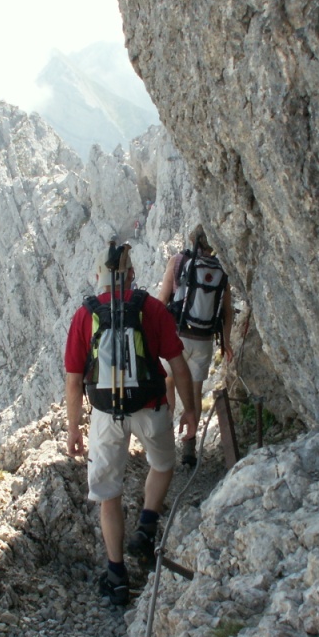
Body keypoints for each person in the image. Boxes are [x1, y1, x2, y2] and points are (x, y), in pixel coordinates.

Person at [65, 245, 199, 606]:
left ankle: (117, 576)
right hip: (150, 407)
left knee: (108, 495)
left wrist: (74, 428)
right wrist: (190, 410)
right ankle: (146, 525)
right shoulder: (151, 308)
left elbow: (74, 380)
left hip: (106, 415)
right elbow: (178, 365)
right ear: (132, 275)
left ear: (99, 278)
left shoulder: (85, 315)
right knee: (164, 464)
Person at [157, 224, 235, 466]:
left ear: (193, 240)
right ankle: (189, 449)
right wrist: (226, 342)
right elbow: (227, 311)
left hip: (177, 338)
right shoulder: (221, 269)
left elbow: (162, 301)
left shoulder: (178, 262)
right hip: (203, 341)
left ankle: (166, 442)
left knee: (168, 383)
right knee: (194, 392)